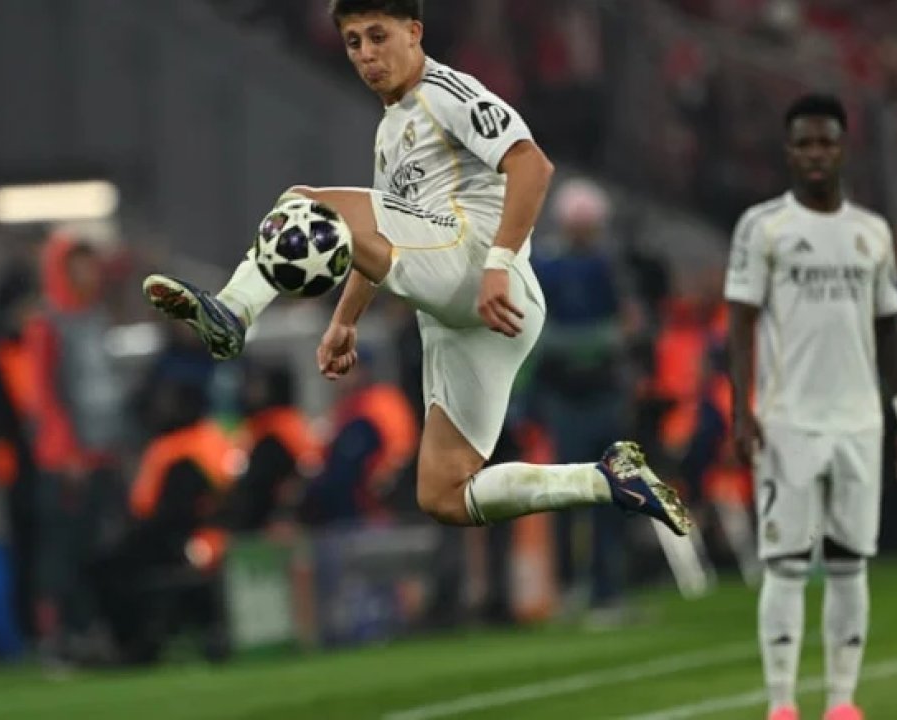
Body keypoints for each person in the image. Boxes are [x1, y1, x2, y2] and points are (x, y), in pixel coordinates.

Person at [140, 0, 691, 538]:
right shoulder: (390, 131)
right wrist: (345, 320)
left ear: (414, 32)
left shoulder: (447, 92)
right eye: (353, 42)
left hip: (476, 267)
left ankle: (234, 310)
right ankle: (605, 479)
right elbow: (382, 239)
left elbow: (533, 165)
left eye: (378, 36)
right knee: (444, 494)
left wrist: (497, 263)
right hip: (472, 315)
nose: (365, 54)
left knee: (302, 201)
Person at [723, 94, 897, 720]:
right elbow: (740, 323)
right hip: (788, 421)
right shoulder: (763, 227)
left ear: (843, 149)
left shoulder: (873, 233)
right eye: (805, 143)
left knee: (848, 563)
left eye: (826, 143)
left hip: (860, 421)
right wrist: (741, 409)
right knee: (785, 564)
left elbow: (889, 329)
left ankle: (841, 702)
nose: (816, 154)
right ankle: (782, 703)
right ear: (788, 152)